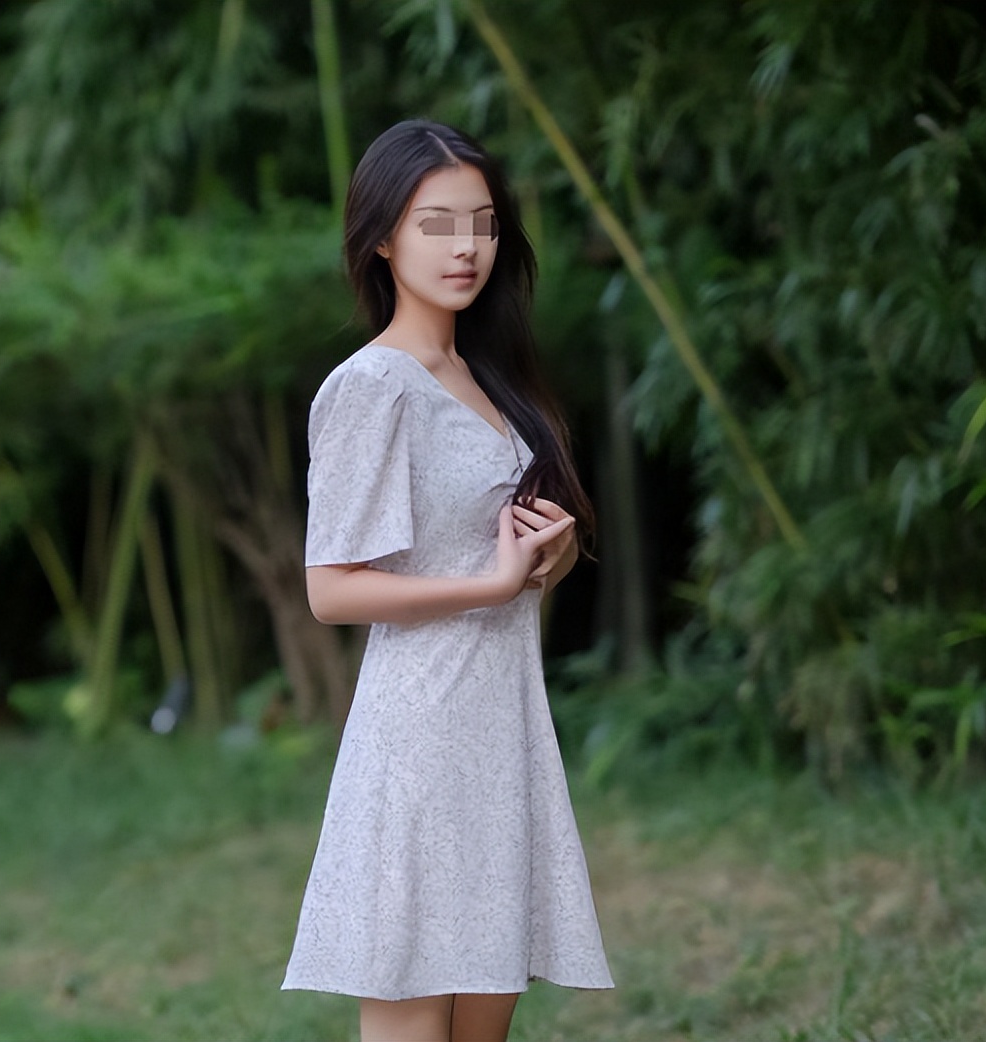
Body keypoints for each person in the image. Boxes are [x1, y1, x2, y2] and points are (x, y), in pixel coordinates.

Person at [282, 119, 613, 1042]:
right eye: (436, 224)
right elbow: (331, 589)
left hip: (500, 732)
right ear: (383, 239)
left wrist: (540, 559)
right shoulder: (372, 386)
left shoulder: (485, 377)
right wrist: (489, 587)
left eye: (482, 222)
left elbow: (478, 552)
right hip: (421, 740)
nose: (465, 246)